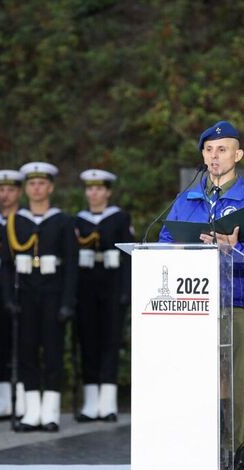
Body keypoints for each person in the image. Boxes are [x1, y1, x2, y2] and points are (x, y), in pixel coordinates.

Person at [158, 120, 244, 470]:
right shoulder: (187, 200)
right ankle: (199, 452)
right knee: (196, 380)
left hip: (237, 301)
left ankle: (235, 457)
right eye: (209, 150)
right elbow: (164, 241)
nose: (214, 156)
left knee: (238, 381)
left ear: (237, 155)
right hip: (193, 303)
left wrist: (233, 249)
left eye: (222, 149)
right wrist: (179, 248)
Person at [0, 161, 78, 432]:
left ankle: (50, 411)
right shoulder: (15, 222)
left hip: (53, 293)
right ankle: (32, 411)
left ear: (51, 187)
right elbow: (6, 265)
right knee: (27, 351)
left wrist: (67, 302)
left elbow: (71, 265)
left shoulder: (62, 221)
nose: (36, 188)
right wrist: (8, 298)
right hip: (25, 294)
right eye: (32, 184)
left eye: (41, 183)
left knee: (53, 352)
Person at [74, 169, 133, 423]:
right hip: (86, 286)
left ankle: (108, 403)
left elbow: (129, 258)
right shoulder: (79, 220)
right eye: (90, 188)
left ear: (108, 192)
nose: (94, 193)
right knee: (88, 341)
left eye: (99, 188)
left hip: (112, 285)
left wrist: (126, 290)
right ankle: (90, 402)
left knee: (110, 341)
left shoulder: (119, 218)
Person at [0, 169, 26, 421]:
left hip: (22, 286)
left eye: (10, 190)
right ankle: (2, 397)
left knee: (24, 341)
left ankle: (22, 395)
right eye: (1, 190)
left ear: (18, 193)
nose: (5, 195)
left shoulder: (26, 221)